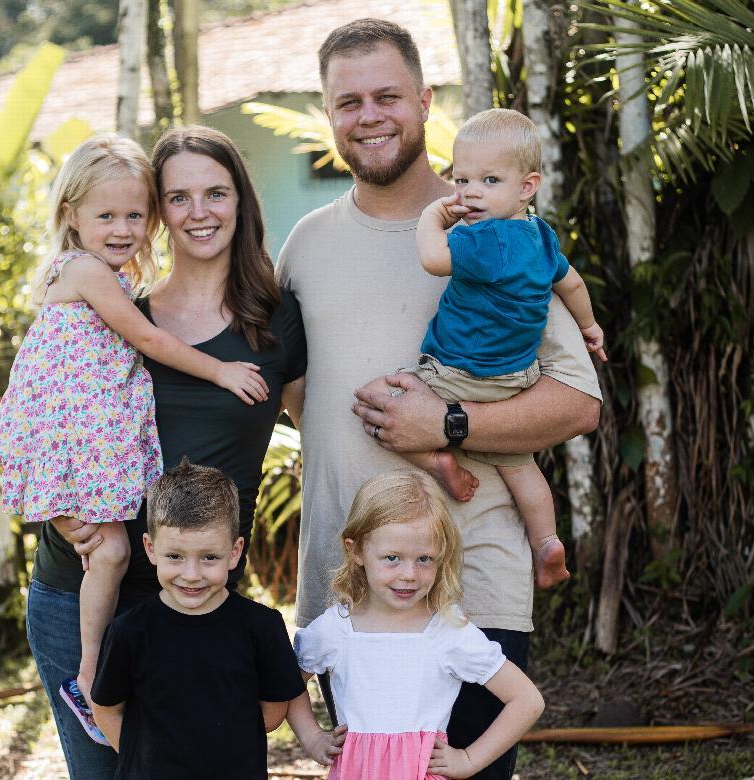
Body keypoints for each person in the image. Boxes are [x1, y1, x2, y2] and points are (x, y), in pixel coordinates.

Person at [276, 19, 602, 779]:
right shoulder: (304, 246)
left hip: (469, 592)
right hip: (349, 595)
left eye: (387, 96)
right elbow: (300, 399)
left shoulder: (500, 231)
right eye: (349, 101)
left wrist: (447, 424)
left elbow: (578, 404)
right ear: (329, 114)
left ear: (425, 102)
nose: (370, 116)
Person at [24, 126, 306, 779]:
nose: (198, 211)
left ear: (242, 201)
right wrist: (61, 513)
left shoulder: (278, 320)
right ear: (162, 212)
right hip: (83, 589)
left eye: (216, 193)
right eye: (179, 197)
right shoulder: (114, 310)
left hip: (201, 603)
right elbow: (40, 413)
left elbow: (320, 436)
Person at [359, 108, 607, 589]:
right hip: (515, 380)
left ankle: (439, 460)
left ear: (527, 186)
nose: (471, 192)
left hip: (456, 374)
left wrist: (432, 217)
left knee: (385, 404)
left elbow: (434, 258)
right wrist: (590, 325)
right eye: (462, 179)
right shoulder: (541, 237)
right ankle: (547, 543)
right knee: (520, 466)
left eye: (489, 180)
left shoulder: (484, 239)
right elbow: (573, 284)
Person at [289, 470, 544, 779]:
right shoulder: (337, 629)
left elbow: (527, 700)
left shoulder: (447, 631)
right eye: (392, 558)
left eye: (424, 559)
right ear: (356, 551)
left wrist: (468, 759)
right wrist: (312, 737)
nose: (409, 574)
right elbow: (286, 683)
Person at [91, 458, 325, 778]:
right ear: (150, 548)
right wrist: (143, 759)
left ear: (235, 552)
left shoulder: (262, 627)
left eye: (209, 557)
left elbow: (273, 711)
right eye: (175, 556)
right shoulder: (129, 631)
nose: (191, 574)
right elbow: (106, 708)